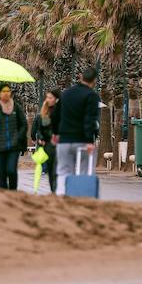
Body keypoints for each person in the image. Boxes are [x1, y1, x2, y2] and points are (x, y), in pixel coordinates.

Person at [52, 67, 101, 196]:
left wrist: (55, 133)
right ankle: (81, 196)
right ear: (94, 80)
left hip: (64, 140)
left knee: (63, 171)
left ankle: (61, 195)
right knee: (84, 170)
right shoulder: (92, 96)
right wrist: (90, 140)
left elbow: (55, 115)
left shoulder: (66, 93)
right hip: (82, 141)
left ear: (80, 77)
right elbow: (90, 119)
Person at [0, 83, 28, 190]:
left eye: (8, 91)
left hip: (14, 146)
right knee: (2, 173)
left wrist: (19, 137)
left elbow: (24, 124)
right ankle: (3, 196)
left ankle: (13, 192)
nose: (6, 93)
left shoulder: (16, 107)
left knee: (11, 170)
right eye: (3, 91)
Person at [32, 89, 60, 194]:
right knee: (50, 169)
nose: (48, 100)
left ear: (56, 99)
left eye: (50, 98)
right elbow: (41, 128)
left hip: (58, 144)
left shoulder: (60, 111)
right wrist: (41, 138)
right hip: (48, 144)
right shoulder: (45, 112)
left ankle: (57, 189)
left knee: (56, 169)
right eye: (47, 97)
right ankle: (53, 190)